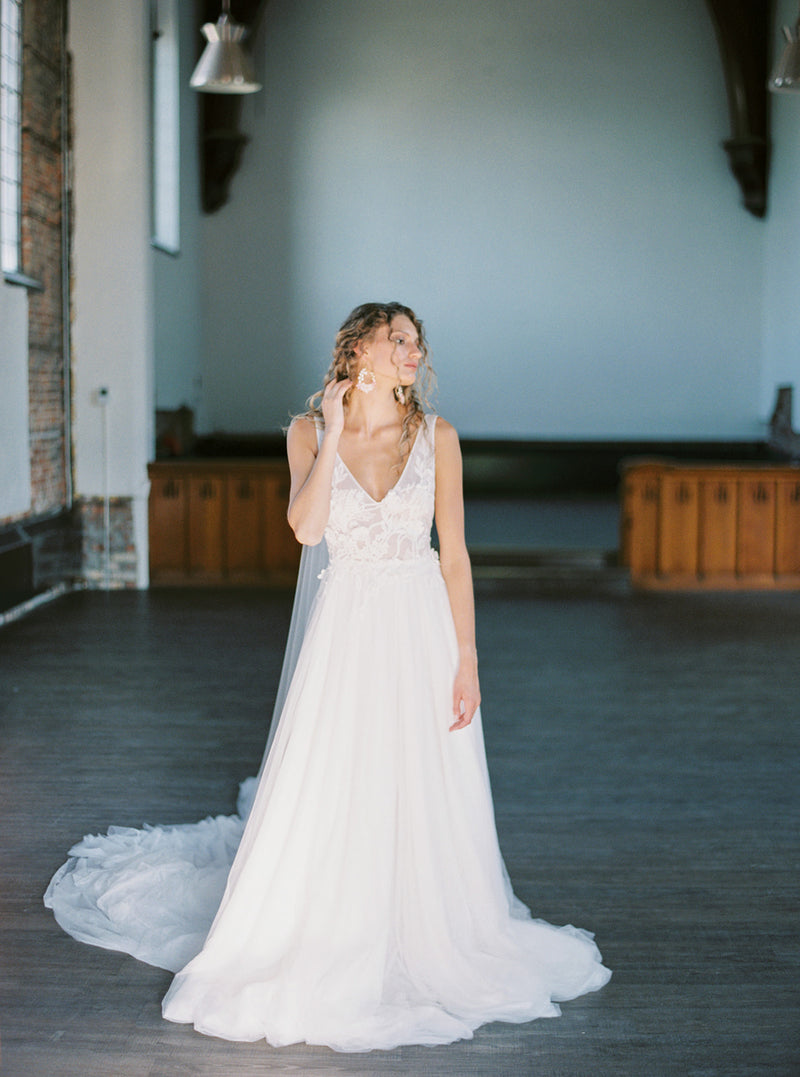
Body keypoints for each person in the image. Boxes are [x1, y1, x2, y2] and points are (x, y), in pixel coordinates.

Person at [45, 302, 611, 1052]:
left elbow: (455, 557)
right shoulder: (307, 434)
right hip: (343, 635)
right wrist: (337, 431)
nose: (414, 350)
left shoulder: (438, 438)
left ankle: (423, 923)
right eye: (398, 338)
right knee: (338, 776)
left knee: (416, 778)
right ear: (360, 351)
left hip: (418, 629)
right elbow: (308, 529)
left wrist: (468, 656)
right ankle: (331, 919)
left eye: (418, 340)